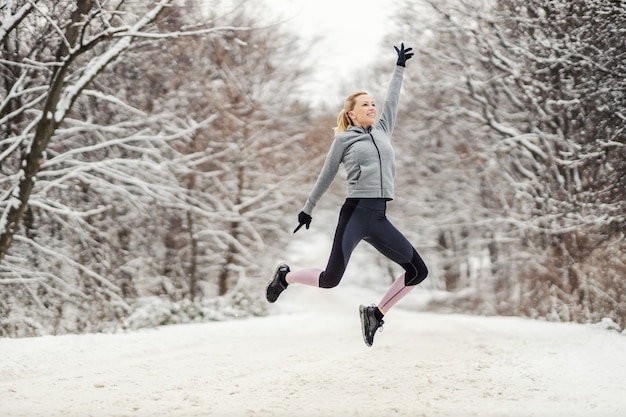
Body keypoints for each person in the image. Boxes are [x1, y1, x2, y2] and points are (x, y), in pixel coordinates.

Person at [266, 43, 428, 347]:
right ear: (351, 114)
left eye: (372, 104)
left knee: (418, 271)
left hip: (379, 217)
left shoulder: (383, 130)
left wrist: (399, 68)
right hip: (355, 214)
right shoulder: (343, 140)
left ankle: (376, 313)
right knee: (330, 279)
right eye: (365, 104)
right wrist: (308, 208)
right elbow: (326, 174)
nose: (372, 107)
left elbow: (393, 99)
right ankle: (285, 277)